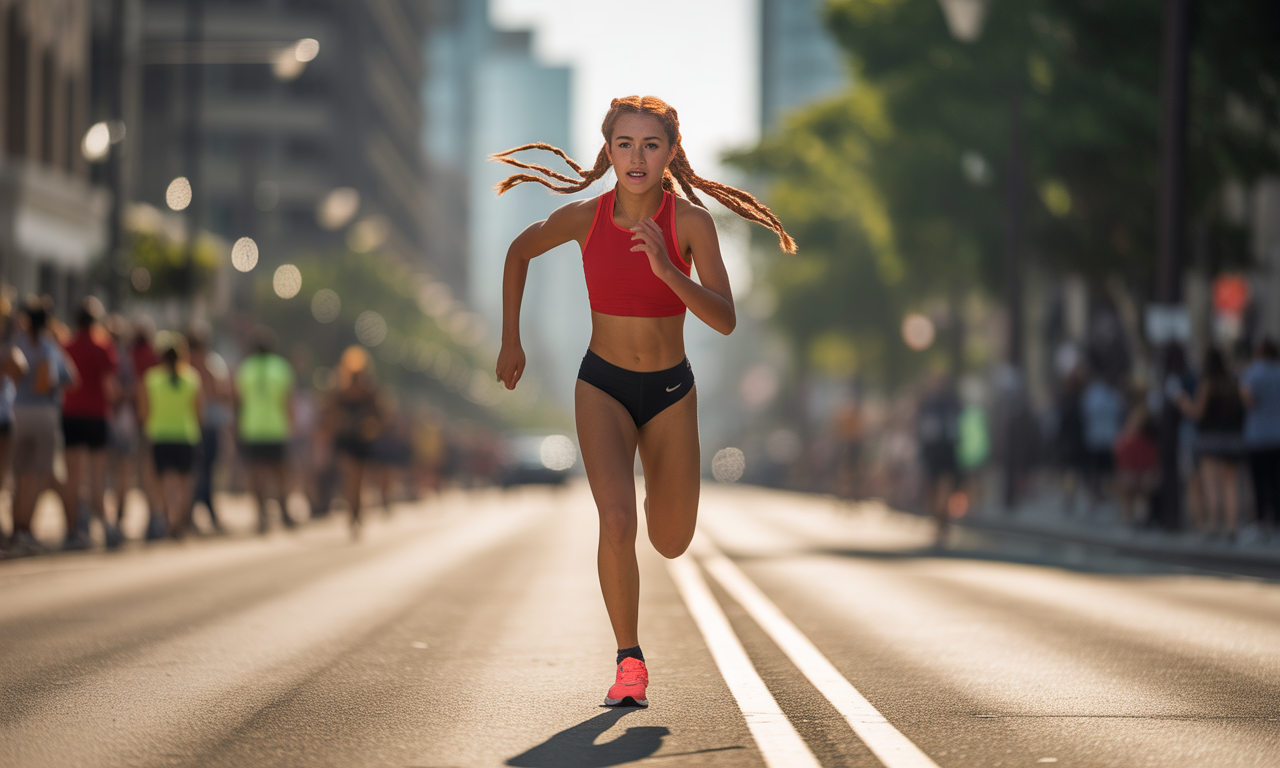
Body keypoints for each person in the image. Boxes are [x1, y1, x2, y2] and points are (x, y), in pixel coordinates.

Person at [492, 95, 794, 708]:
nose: (636, 156)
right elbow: (518, 252)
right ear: (608, 151)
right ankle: (629, 661)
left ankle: (663, 481)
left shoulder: (691, 225)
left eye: (650, 145)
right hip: (601, 384)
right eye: (624, 144)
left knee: (672, 539)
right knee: (616, 519)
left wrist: (667, 269)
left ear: (670, 154)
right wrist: (510, 339)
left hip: (669, 392)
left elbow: (726, 319)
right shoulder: (587, 218)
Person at [9, 300, 76, 552]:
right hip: (45, 413)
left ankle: (16, 527)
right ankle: (27, 528)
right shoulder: (50, 347)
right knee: (36, 476)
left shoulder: (16, 343)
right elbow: (70, 378)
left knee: (17, 475)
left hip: (18, 411)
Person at [60, 297, 122, 548]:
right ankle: (106, 528)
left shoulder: (67, 345)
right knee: (98, 475)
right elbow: (110, 387)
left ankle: (73, 531)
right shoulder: (103, 345)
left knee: (73, 477)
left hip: (71, 413)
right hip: (97, 415)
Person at [138, 333, 203, 540]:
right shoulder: (192, 378)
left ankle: (168, 519)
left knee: (164, 482)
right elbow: (199, 412)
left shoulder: (151, 378)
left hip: (160, 435)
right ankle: (182, 524)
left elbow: (143, 412)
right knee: (185, 483)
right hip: (186, 434)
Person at [1178, 347, 1246, 541]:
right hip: (1233, 438)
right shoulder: (1233, 381)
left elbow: (1197, 412)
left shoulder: (1207, 383)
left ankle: (1212, 524)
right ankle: (1232, 527)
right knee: (1230, 484)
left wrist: (1184, 404)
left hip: (1210, 438)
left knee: (1211, 484)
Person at [235, 329, 296, 533]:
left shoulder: (246, 369)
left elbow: (239, 400)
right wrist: (291, 423)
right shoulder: (281, 368)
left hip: (251, 427)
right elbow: (287, 401)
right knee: (280, 473)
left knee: (255, 473)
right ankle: (284, 511)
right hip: (276, 427)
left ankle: (261, 513)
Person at [325, 346, 383, 540]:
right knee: (358, 481)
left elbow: (330, 415)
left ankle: (355, 515)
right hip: (356, 440)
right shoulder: (368, 391)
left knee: (353, 481)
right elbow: (383, 415)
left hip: (353, 440)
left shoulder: (345, 391)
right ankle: (356, 515)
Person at [188, 328, 232, 533]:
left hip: (200, 425)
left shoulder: (189, 364)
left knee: (202, 471)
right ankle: (195, 513)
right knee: (201, 472)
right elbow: (220, 392)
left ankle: (196, 513)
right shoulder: (209, 364)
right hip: (199, 426)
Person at [1241, 338, 1280, 540]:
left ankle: (1260, 522)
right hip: (1277, 435)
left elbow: (1247, 400)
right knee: (1275, 480)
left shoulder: (1253, 373)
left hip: (1257, 436)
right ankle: (1276, 521)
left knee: (1258, 482)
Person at [916, 372, 961, 547]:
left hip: (939, 455)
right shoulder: (952, 404)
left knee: (939, 490)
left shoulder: (930, 405)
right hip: (940, 455)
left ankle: (941, 523)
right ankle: (940, 523)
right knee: (939, 490)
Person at [1080, 369, 1124, 514]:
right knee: (1111, 474)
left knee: (1094, 473)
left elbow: (1084, 413)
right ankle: (1116, 504)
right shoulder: (1113, 394)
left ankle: (1093, 502)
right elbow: (1120, 413)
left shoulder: (1091, 394)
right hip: (1110, 439)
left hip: (1094, 439)